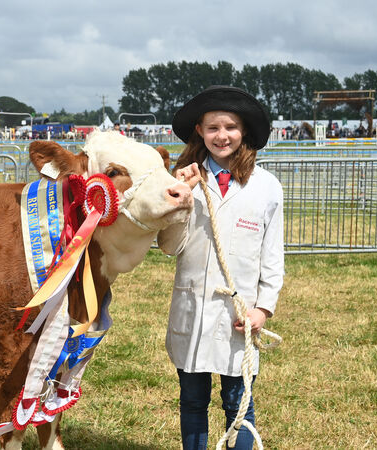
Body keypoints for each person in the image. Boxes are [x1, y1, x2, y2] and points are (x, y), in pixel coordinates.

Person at [157, 86, 284, 450]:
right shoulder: (183, 182)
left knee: (238, 403)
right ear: (199, 130)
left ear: (244, 131)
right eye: (213, 128)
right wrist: (180, 200)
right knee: (192, 400)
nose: (221, 136)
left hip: (238, 314)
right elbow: (169, 246)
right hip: (193, 307)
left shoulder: (266, 187)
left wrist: (262, 309)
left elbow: (272, 257)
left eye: (230, 127)